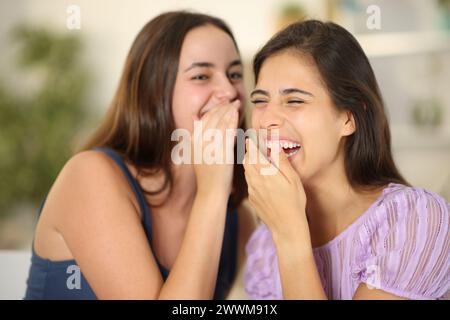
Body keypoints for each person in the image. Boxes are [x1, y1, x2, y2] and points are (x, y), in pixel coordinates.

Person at [24, 11, 256, 300]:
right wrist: (212, 193)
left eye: (235, 74)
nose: (228, 91)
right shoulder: (90, 177)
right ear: (153, 91)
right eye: (201, 76)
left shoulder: (238, 220)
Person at [243, 20, 449, 300]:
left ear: (349, 118)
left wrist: (291, 236)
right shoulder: (264, 250)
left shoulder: (413, 221)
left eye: (294, 101)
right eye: (260, 101)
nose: (267, 120)